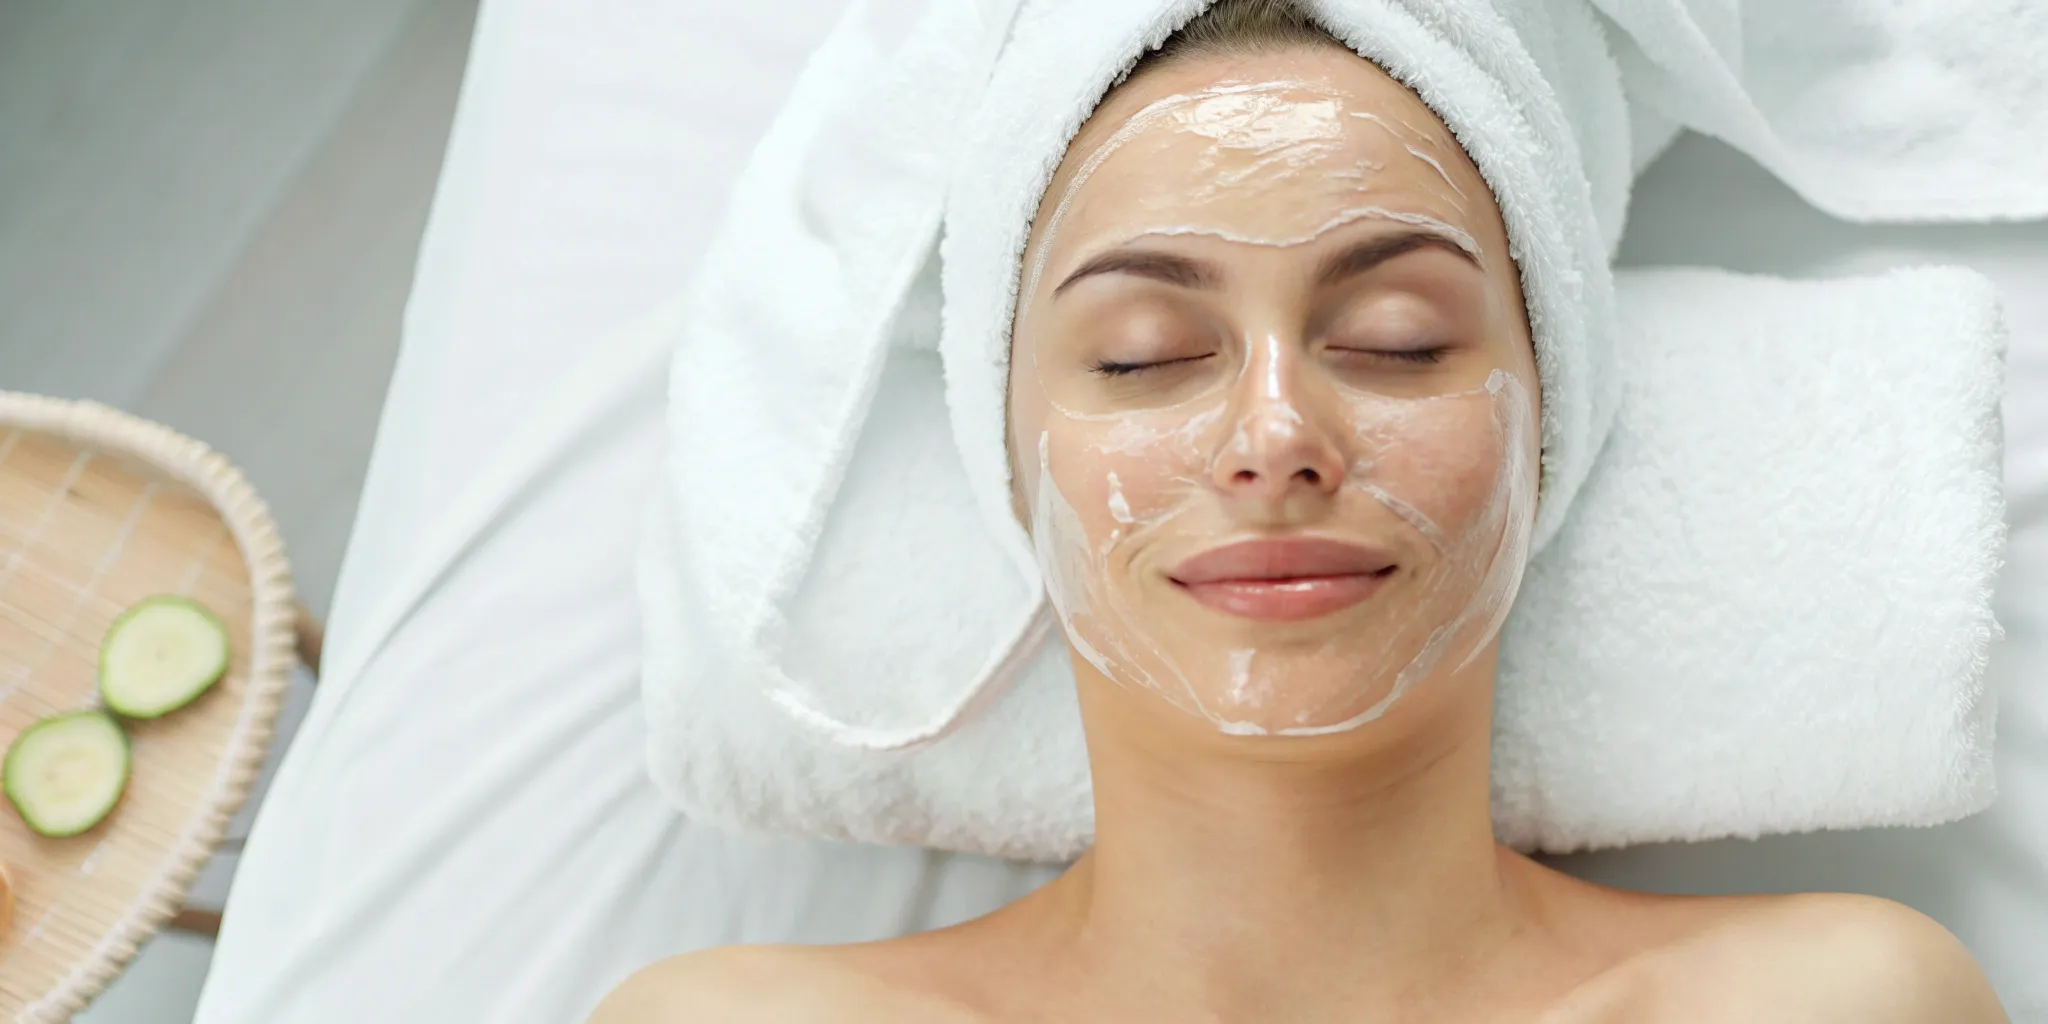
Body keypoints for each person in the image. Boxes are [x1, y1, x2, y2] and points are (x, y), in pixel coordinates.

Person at [593, 1, 2008, 1019]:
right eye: (1146, 357)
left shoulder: (1821, 1002)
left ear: (1551, 419)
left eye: (1397, 339)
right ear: (1010, 459)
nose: (1275, 438)